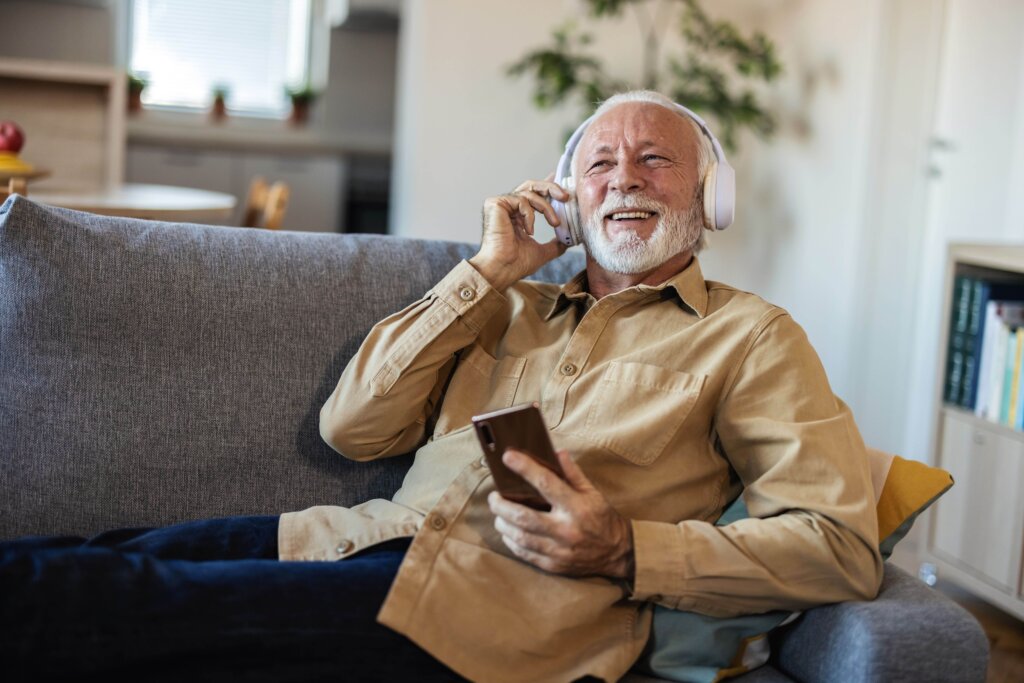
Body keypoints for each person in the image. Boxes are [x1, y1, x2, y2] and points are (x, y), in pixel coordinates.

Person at [0, 90, 882, 683]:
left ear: (711, 197)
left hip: (491, 612)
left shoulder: (753, 336)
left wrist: (625, 547)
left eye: (656, 161)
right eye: (601, 165)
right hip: (352, 541)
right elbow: (353, 427)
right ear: (568, 196)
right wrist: (486, 272)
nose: (624, 179)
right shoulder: (505, 304)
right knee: (100, 554)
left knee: (97, 603)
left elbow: (840, 544)